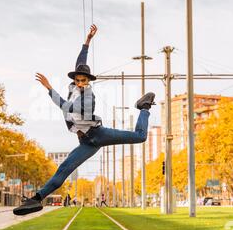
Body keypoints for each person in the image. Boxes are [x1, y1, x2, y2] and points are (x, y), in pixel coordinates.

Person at [13, 25, 155, 216]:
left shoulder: (88, 98)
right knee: (64, 168)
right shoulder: (73, 87)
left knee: (140, 137)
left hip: (99, 135)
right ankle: (36, 200)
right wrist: (87, 41)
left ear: (88, 82)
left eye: (83, 81)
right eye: (78, 80)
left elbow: (66, 107)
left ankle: (144, 107)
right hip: (86, 142)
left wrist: (48, 88)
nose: (80, 83)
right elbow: (80, 62)